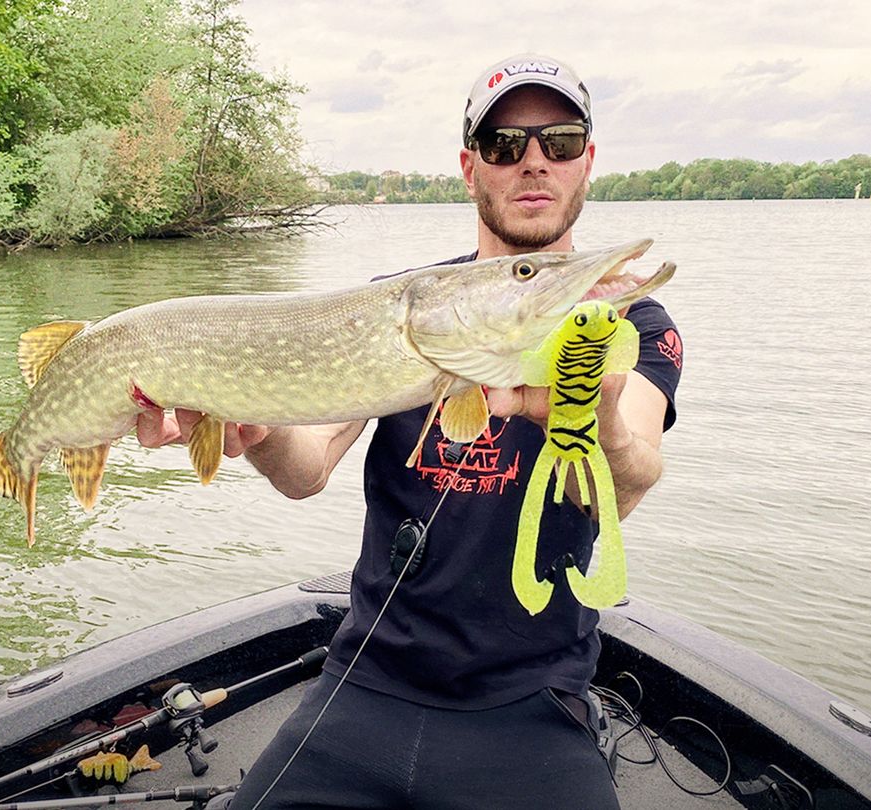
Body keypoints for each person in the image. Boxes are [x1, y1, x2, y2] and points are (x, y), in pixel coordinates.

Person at [137, 53, 683, 809]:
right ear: (470, 168)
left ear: (586, 161)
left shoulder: (632, 325)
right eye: (504, 145)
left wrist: (597, 425)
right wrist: (260, 433)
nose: (533, 162)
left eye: (558, 142)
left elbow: (626, 488)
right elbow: (306, 472)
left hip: (530, 702)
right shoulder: (402, 309)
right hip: (366, 681)